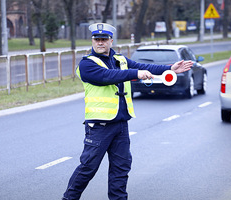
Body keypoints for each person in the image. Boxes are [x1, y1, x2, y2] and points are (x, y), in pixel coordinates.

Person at [62, 23, 192, 200]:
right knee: (88, 168)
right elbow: (107, 77)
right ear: (92, 41)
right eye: (96, 39)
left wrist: (169, 68)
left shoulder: (120, 60)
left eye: (104, 39)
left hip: (121, 124)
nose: (100, 42)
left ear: (111, 40)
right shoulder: (87, 64)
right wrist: (135, 74)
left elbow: (143, 66)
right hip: (99, 126)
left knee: (121, 168)